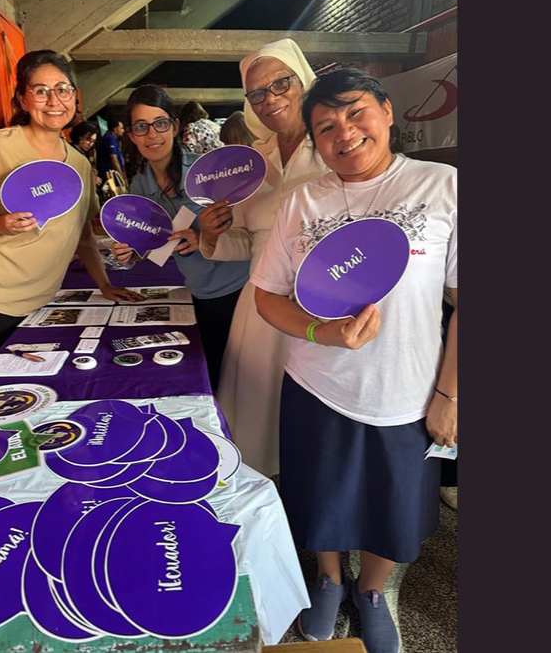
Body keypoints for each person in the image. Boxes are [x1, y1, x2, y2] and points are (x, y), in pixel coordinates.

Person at [251, 67, 457, 651]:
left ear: (388, 111)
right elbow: (267, 295)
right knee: (321, 495)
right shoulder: (302, 202)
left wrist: (450, 395)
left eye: (355, 112)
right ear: (315, 140)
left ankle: (371, 592)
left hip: (409, 388)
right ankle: (329, 580)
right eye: (325, 125)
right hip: (317, 383)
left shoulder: (441, 186)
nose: (344, 131)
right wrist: (323, 331)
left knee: (392, 506)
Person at [0, 50, 142, 409]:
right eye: (41, 90)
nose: (53, 100)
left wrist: (104, 283)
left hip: (39, 305)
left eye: (62, 89)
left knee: (20, 401)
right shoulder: (1, 145)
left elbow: (82, 234)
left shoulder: (78, 161)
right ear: (23, 99)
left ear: (76, 96)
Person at [196, 38, 329, 477]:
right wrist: (214, 235)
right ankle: (265, 505)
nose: (270, 98)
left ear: (303, 82)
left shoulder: (333, 149)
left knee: (313, 423)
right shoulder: (253, 161)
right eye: (256, 92)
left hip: (321, 305)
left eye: (281, 83)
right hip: (258, 307)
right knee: (256, 422)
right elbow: (250, 243)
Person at [109, 86, 250, 392]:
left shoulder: (207, 172)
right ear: (131, 135)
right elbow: (155, 245)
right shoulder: (140, 184)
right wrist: (132, 251)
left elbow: (247, 227)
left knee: (241, 380)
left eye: (160, 123)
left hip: (239, 290)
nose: (152, 135)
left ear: (174, 127)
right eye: (141, 127)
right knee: (210, 374)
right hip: (198, 292)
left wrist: (205, 237)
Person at [69, 121, 102, 201]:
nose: (90, 144)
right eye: (88, 140)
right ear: (79, 137)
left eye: (93, 141)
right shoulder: (72, 152)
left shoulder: (83, 152)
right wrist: (90, 179)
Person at [96, 117, 127, 186]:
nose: (123, 131)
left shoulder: (115, 140)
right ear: (115, 130)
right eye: (121, 128)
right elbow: (114, 160)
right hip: (110, 177)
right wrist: (121, 179)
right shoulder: (110, 138)